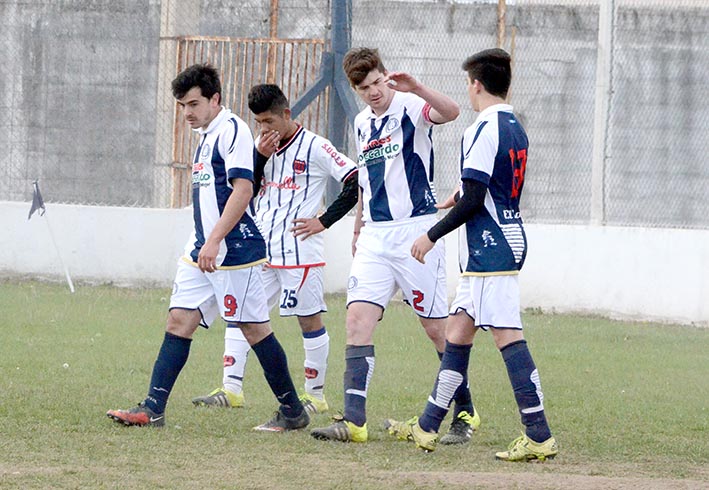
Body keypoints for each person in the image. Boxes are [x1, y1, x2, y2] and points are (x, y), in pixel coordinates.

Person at [106, 64, 309, 432]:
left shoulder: (231, 130)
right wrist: (204, 241)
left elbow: (243, 190)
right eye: (182, 105)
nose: (187, 112)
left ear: (215, 99)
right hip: (200, 249)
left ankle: (293, 410)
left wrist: (215, 240)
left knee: (253, 328)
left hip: (233, 251)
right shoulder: (206, 134)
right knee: (179, 320)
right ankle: (153, 408)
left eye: (194, 103)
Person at [383, 48, 558, 461]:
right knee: (457, 334)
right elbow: (487, 186)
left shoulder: (481, 129)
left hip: (491, 245)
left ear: (475, 85)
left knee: (507, 337)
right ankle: (427, 427)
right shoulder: (514, 125)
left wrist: (431, 234)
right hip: (504, 236)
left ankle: (538, 434)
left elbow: (478, 197)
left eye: (468, 83)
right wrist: (457, 195)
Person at [311, 48, 477, 444]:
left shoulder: (409, 105)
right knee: (356, 322)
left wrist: (417, 86)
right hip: (375, 235)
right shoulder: (361, 123)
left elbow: (452, 111)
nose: (371, 93)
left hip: (416, 233)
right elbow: (368, 180)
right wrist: (358, 226)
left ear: (386, 76)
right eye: (362, 88)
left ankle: (466, 414)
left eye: (375, 83)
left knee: (437, 330)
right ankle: (353, 421)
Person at [191, 83, 359, 415]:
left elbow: (355, 179)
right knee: (242, 315)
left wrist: (323, 221)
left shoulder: (316, 147)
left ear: (286, 114)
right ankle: (231, 389)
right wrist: (260, 157)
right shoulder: (260, 149)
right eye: (259, 123)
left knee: (308, 321)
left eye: (269, 121)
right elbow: (245, 190)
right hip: (262, 250)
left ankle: (315, 395)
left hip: (300, 253)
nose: (265, 129)